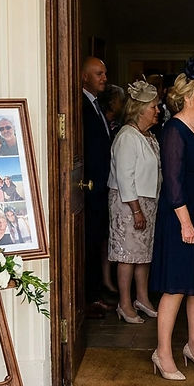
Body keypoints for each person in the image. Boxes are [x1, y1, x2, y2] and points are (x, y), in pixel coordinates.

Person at [148, 62, 194, 381]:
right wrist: (186, 222)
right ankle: (162, 352)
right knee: (177, 285)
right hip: (182, 214)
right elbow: (174, 182)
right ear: (190, 95)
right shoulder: (173, 130)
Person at [108, 79, 162, 324]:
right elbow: (125, 177)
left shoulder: (148, 136)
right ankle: (125, 303)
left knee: (143, 254)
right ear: (140, 110)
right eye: (154, 107)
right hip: (129, 203)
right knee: (127, 255)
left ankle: (142, 298)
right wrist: (136, 210)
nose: (158, 111)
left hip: (146, 202)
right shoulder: (127, 137)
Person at [81, 56, 116, 316]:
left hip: (101, 187)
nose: (104, 78)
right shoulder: (80, 105)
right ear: (84, 77)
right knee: (90, 244)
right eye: (99, 74)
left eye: (104, 73)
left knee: (97, 242)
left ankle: (95, 294)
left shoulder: (95, 104)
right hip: (90, 188)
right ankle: (89, 298)